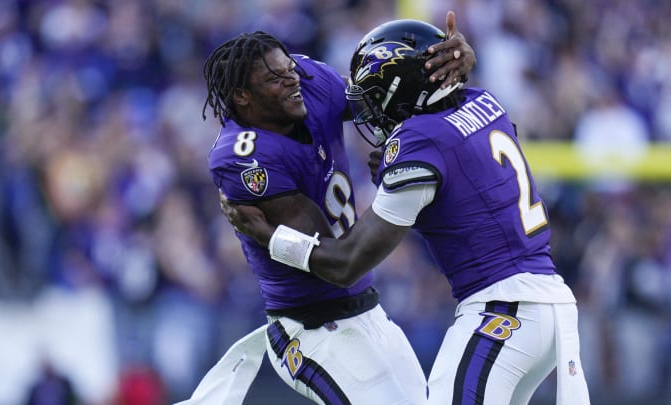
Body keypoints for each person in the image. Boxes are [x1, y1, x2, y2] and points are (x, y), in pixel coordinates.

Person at [222, 19, 591, 405]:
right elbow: (465, 173)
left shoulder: (419, 142)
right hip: (551, 305)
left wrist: (266, 235)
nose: (371, 112)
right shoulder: (484, 101)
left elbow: (346, 263)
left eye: (376, 96)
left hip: (503, 310)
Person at [180, 12, 476, 405]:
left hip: (368, 311)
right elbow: (334, 263)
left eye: (289, 69)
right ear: (242, 97)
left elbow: (387, 94)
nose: (292, 81)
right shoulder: (244, 156)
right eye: (274, 79)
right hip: (311, 329)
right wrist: (401, 188)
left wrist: (448, 67)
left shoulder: (308, 81)